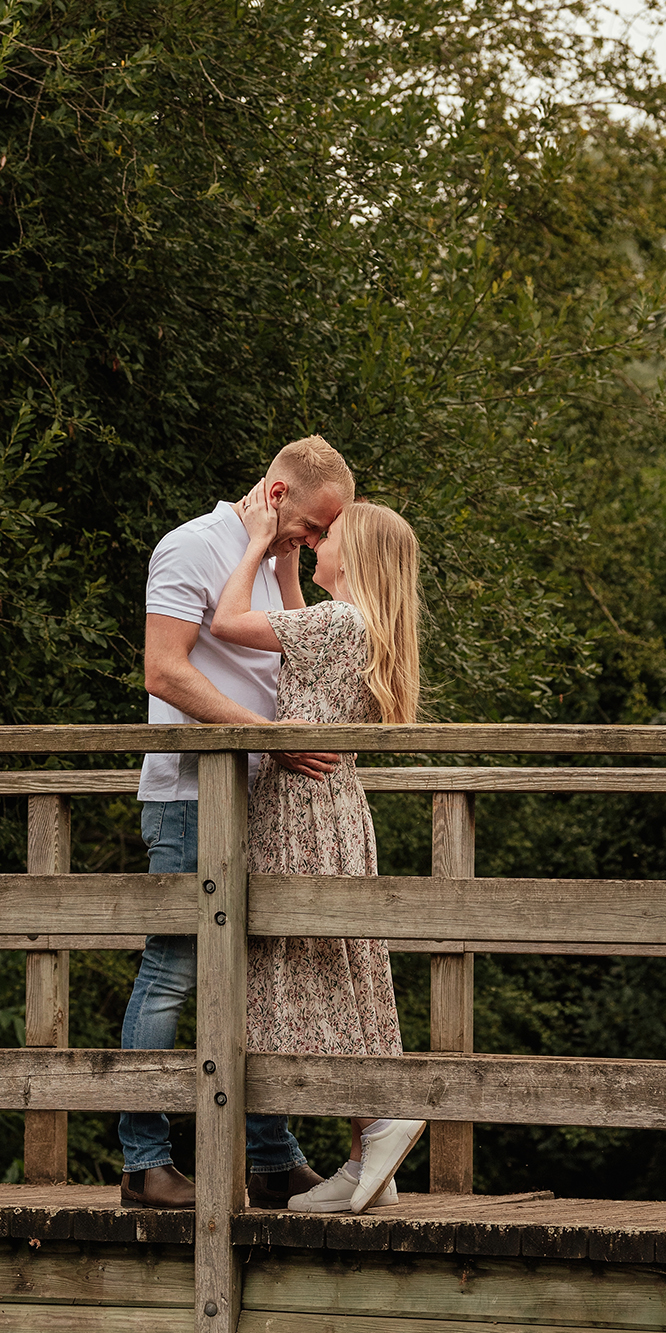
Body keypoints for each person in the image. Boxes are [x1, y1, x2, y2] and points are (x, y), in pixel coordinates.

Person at [119, 436, 355, 1210]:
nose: (321, 543)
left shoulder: (274, 557)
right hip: (192, 798)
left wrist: (288, 567)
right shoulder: (191, 547)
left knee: (260, 978)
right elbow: (165, 669)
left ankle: (269, 1158)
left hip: (264, 798)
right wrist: (268, 741)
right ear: (280, 495)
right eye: (315, 527)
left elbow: (303, 657)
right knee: (174, 971)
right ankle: (146, 1163)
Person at [211, 484, 425, 1214]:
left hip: (302, 810)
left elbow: (229, 621)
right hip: (337, 808)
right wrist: (287, 566)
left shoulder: (338, 623)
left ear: (354, 553)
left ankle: (379, 1121)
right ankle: (374, 1156)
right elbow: (296, 628)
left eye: (328, 536)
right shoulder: (353, 626)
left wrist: (254, 544)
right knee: (347, 970)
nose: (316, 541)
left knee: (319, 974)